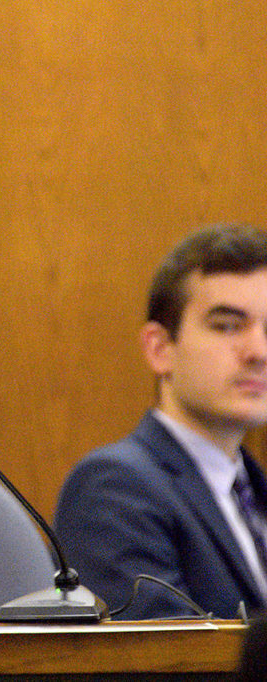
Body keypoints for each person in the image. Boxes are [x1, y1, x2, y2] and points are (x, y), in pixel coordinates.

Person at [54, 223, 267, 620]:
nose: (258, 351)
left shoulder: (253, 490)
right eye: (227, 325)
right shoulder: (114, 488)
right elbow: (160, 661)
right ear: (160, 348)